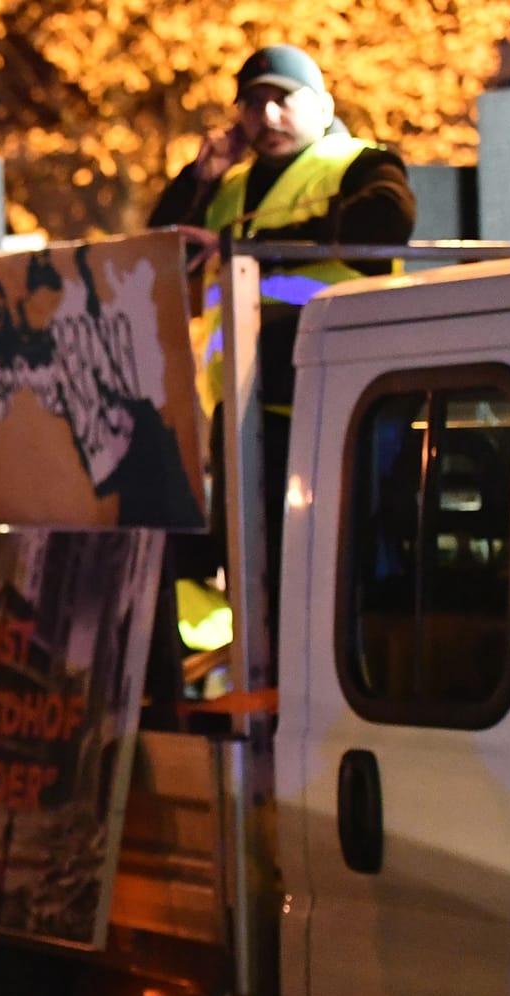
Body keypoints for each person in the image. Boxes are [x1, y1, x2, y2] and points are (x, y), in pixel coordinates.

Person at [149, 44, 415, 645]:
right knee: (256, 581)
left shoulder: (359, 164)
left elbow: (387, 221)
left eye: (281, 99)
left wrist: (254, 250)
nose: (265, 116)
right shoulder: (228, 186)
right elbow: (158, 249)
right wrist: (196, 178)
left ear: (322, 106)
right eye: (252, 104)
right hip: (243, 412)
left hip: (339, 404)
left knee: (341, 571)